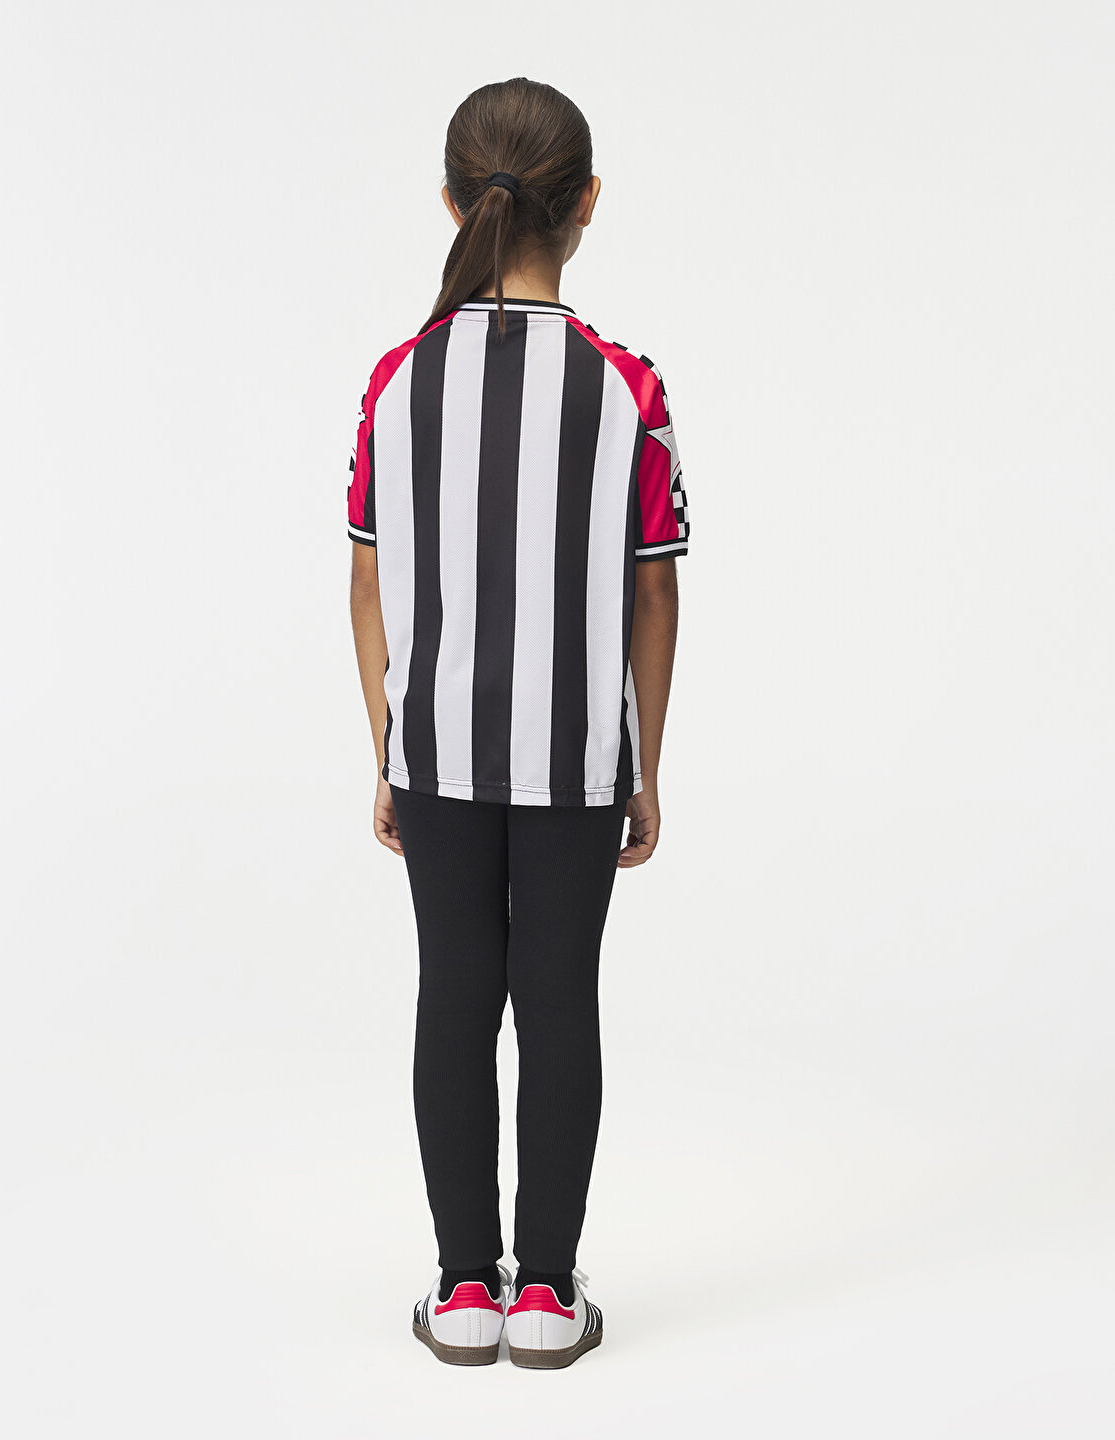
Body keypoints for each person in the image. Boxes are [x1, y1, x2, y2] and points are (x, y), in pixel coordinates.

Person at [347, 77, 688, 1369]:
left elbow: (370, 579)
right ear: (587, 202)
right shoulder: (626, 385)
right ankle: (545, 1294)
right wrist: (642, 766)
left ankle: (460, 1288)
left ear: (453, 204)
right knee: (557, 1002)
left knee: (452, 995)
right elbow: (653, 589)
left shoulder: (397, 379)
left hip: (434, 749)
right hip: (574, 755)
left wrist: (386, 745)